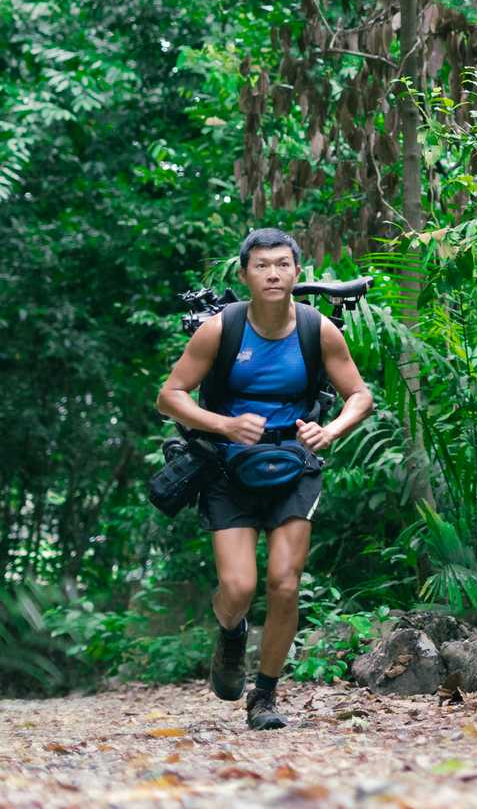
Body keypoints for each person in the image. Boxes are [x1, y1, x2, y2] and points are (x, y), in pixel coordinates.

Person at [156, 228, 373, 729]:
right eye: (261, 266)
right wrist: (224, 424)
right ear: (245, 275)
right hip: (227, 467)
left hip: (294, 464)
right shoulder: (220, 329)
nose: (273, 273)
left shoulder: (317, 330)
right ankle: (231, 635)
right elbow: (170, 395)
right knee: (237, 587)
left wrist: (332, 429)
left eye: (282, 264)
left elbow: (359, 395)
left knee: (284, 583)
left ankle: (265, 696)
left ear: (297, 272)